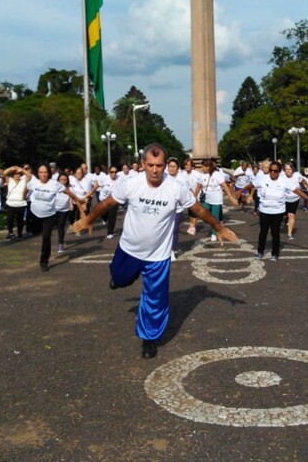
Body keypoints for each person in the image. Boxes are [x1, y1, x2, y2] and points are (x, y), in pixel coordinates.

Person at [71, 143, 238, 359]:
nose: (155, 170)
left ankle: (148, 338)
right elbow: (106, 204)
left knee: (155, 300)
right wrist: (88, 220)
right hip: (129, 250)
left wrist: (218, 227)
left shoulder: (176, 187)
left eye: (159, 165)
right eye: (150, 165)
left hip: (158, 256)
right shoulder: (131, 184)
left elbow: (197, 209)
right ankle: (122, 278)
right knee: (119, 278)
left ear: (165, 165)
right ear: (143, 164)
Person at [243, 161, 308, 261]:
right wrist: (240, 191)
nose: (273, 172)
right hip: (264, 210)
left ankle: (275, 254)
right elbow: (252, 184)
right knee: (263, 232)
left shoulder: (283, 181)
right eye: (271, 170)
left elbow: (295, 190)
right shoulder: (263, 178)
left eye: (275, 171)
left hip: (278, 211)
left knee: (275, 232)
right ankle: (260, 252)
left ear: (279, 171)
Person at [27, 164, 83, 271]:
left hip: (49, 215)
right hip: (35, 213)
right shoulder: (34, 182)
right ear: (37, 173)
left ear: (49, 173)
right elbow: (26, 188)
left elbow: (68, 192)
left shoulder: (54, 184)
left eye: (45, 172)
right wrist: (23, 196)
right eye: (41, 172)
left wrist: (78, 199)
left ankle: (44, 261)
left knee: (46, 237)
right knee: (35, 232)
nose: (43, 174)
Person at [194, 158, 238, 242]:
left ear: (208, 167)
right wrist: (194, 196)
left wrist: (230, 197)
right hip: (207, 199)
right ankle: (211, 225)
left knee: (215, 218)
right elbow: (198, 186)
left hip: (216, 200)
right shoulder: (202, 175)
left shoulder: (216, 174)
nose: (201, 168)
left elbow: (224, 185)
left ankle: (214, 233)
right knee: (202, 213)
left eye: (203, 166)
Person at [281, 162, 308, 240]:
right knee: (283, 215)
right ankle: (279, 223)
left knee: (291, 215)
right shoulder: (281, 176)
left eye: (289, 169)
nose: (288, 171)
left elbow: (303, 180)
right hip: (283, 199)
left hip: (295, 199)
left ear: (293, 169)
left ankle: (289, 233)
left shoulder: (297, 175)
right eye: (286, 169)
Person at [0, 165, 28, 241]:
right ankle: (10, 233)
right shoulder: (10, 180)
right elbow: (3, 174)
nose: (17, 176)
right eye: (15, 174)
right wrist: (11, 168)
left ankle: (19, 233)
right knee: (10, 219)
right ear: (13, 175)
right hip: (11, 203)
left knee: (20, 220)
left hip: (21, 203)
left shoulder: (23, 180)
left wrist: (22, 170)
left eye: (18, 174)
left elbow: (30, 176)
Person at [98, 166, 121, 240]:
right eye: (112, 172)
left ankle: (110, 233)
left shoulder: (120, 179)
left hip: (114, 200)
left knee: (112, 216)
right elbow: (97, 186)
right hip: (104, 199)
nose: (114, 173)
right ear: (109, 172)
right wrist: (89, 194)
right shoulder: (104, 179)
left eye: (115, 172)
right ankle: (104, 218)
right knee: (104, 214)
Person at [54, 172, 73, 253]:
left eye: (65, 179)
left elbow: (71, 196)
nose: (63, 181)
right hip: (54, 209)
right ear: (58, 180)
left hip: (64, 209)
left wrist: (71, 204)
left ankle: (60, 244)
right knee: (53, 225)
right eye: (61, 179)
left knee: (61, 226)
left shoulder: (69, 188)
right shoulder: (55, 187)